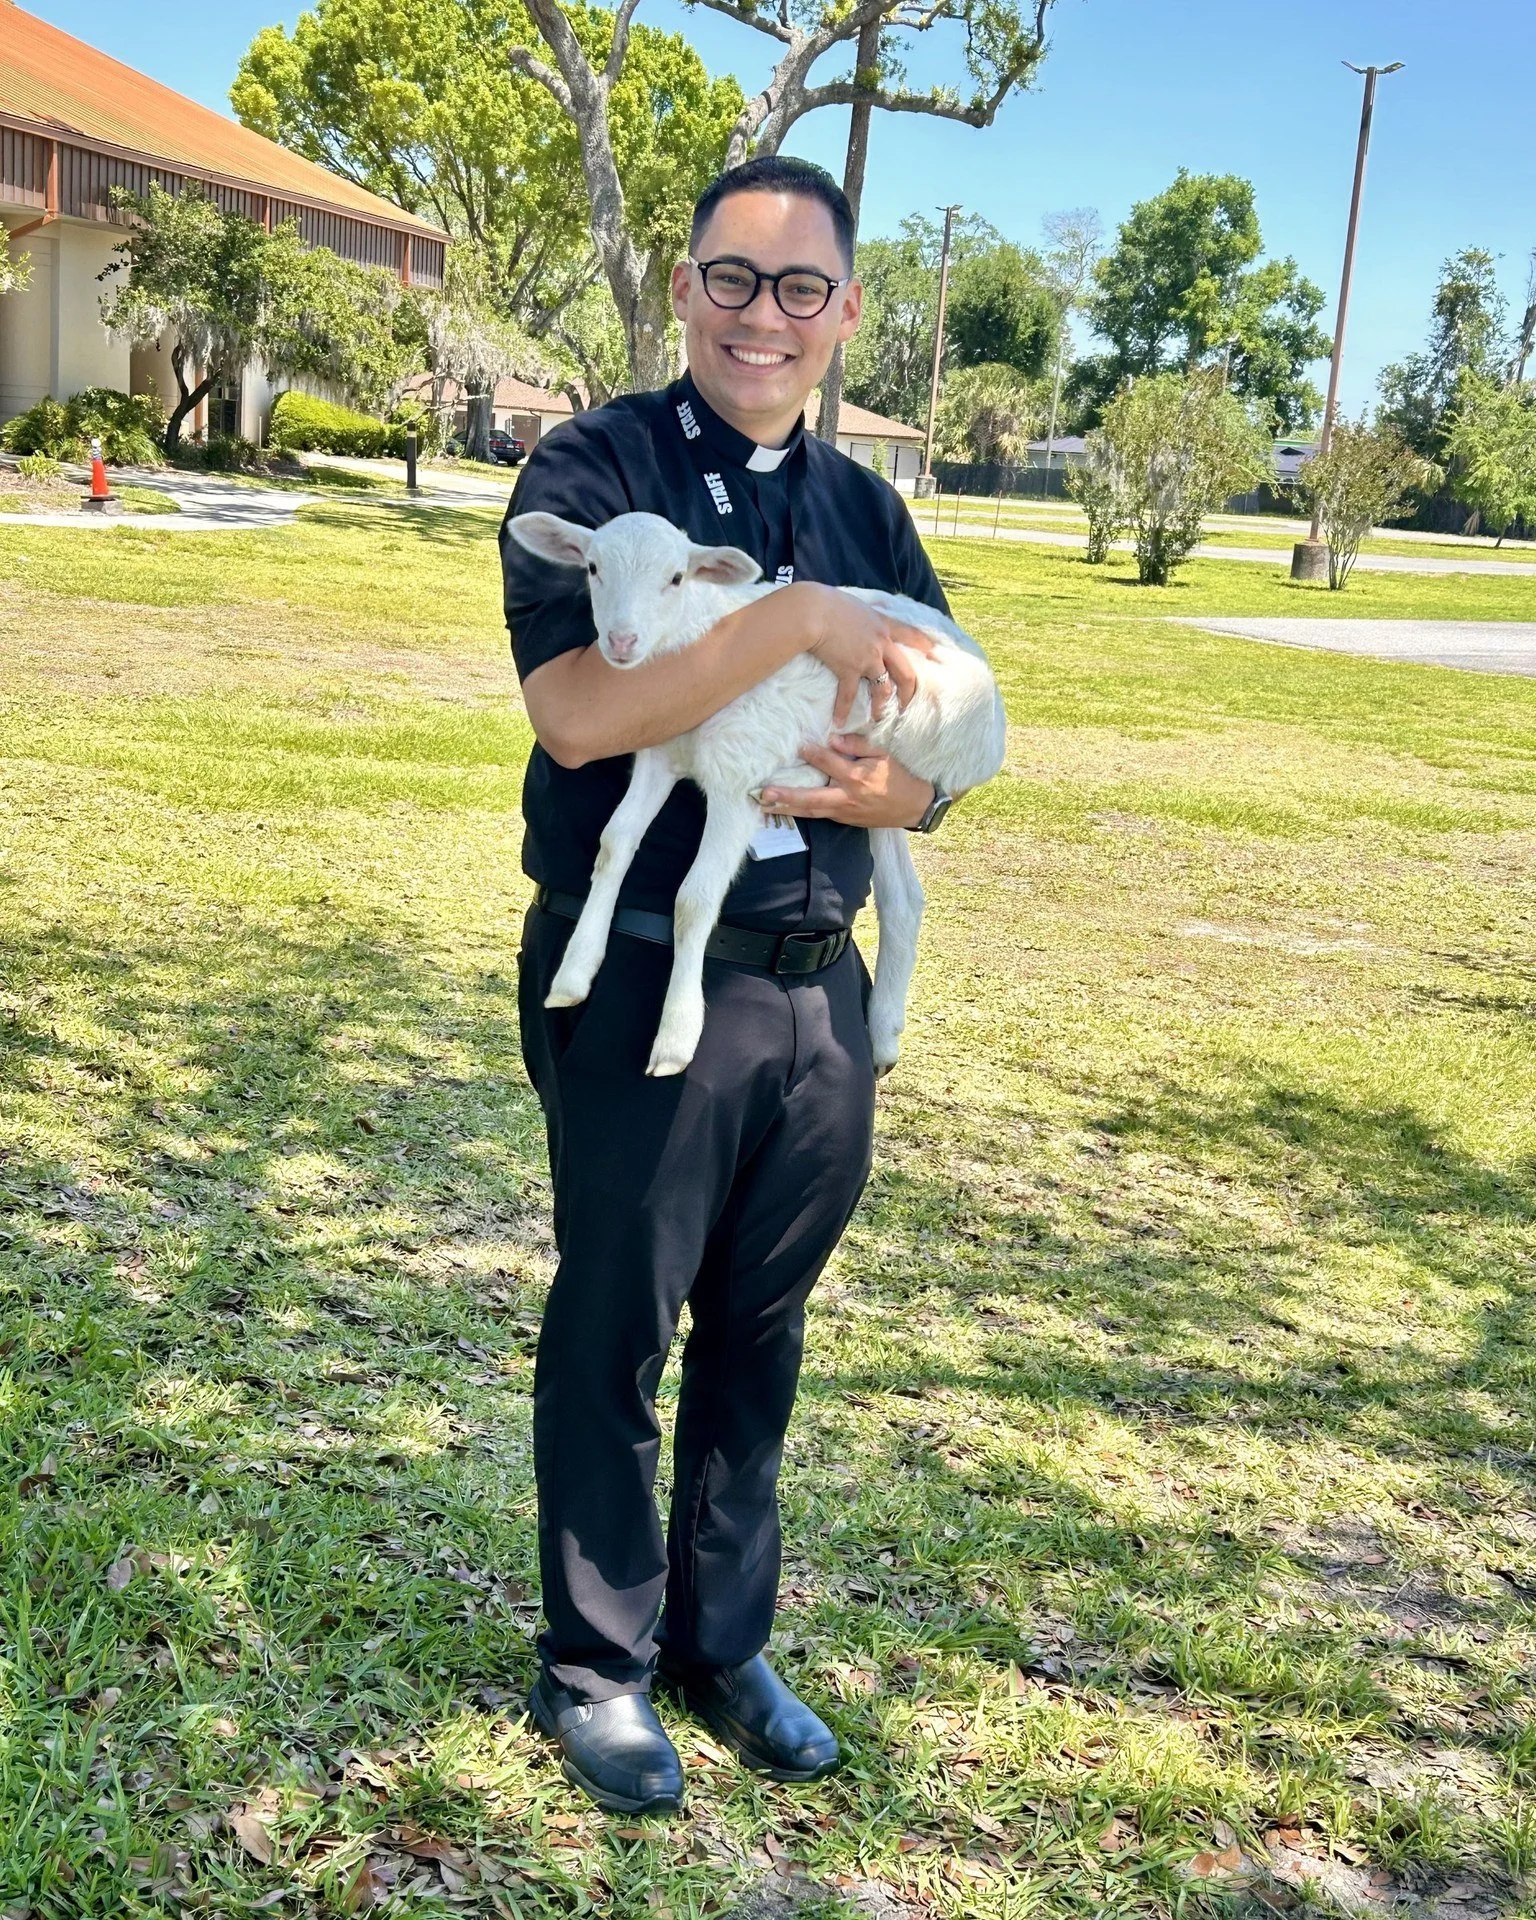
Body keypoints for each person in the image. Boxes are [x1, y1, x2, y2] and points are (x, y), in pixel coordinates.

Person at [500, 155, 959, 1816]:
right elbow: (578, 713)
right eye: (732, 278)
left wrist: (899, 800)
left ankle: (722, 1641)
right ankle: (600, 1668)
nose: (764, 317)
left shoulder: (867, 507)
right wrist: (798, 625)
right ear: (685, 285)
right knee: (617, 1323)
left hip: (816, 986)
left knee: (761, 1333)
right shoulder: (595, 465)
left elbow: (934, 744)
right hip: (635, 978)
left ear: (843, 313)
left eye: (801, 289)